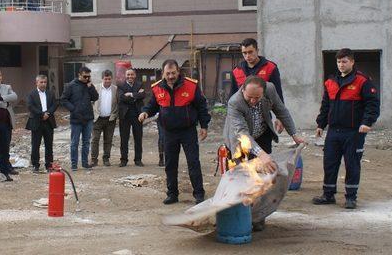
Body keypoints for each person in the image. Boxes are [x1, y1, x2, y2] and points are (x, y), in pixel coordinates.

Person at [223, 75, 304, 231]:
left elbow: (281, 111)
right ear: (242, 90)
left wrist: (294, 134)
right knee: (243, 177)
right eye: (249, 97)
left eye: (257, 98)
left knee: (264, 177)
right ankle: (242, 217)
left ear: (264, 92)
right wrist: (261, 155)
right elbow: (243, 134)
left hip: (262, 134)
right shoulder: (234, 102)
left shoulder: (271, 89)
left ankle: (259, 216)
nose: (253, 101)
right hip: (241, 141)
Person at [313, 48, 380, 210]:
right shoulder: (330, 82)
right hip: (333, 132)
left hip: (354, 132)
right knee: (329, 163)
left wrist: (367, 123)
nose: (341, 65)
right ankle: (328, 194)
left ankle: (351, 197)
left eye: (344, 61)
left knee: (352, 164)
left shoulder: (362, 81)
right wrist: (321, 124)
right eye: (338, 61)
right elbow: (325, 106)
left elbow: (373, 104)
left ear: (352, 62)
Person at [139, 59, 211, 205]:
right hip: (168, 132)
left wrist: (204, 126)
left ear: (178, 72)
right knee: (170, 164)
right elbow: (152, 105)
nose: (171, 76)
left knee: (193, 163)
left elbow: (201, 107)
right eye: (168, 73)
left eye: (173, 73)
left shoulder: (191, 86)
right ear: (163, 73)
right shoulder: (157, 88)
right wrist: (145, 112)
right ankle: (172, 194)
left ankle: (199, 194)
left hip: (188, 131)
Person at [230, 38, 285, 133]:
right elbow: (232, 97)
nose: (247, 56)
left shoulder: (270, 68)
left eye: (250, 52)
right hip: (243, 121)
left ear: (257, 50)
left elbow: (278, 95)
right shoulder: (236, 71)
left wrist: (280, 118)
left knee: (264, 148)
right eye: (244, 53)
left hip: (264, 120)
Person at [61, 66, 99, 171]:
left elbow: (95, 97)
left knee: (86, 142)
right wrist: (73, 109)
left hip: (88, 118)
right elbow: (63, 100)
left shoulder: (89, 85)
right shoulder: (70, 85)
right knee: (75, 142)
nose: (87, 78)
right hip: (76, 119)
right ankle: (74, 164)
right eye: (85, 76)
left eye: (88, 76)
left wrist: (91, 86)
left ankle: (85, 163)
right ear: (79, 74)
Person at [26, 75, 58, 172]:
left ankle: (49, 165)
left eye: (45, 82)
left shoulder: (50, 93)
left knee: (49, 145)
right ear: (36, 83)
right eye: (41, 82)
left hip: (48, 122)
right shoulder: (31, 94)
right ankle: (35, 165)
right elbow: (30, 106)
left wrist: (48, 113)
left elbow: (55, 104)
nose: (43, 84)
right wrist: (41, 114)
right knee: (35, 145)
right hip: (36, 122)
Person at [118, 68, 146, 167]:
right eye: (128, 75)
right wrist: (135, 97)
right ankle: (123, 160)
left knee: (138, 138)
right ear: (125, 76)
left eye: (132, 74)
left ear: (135, 75)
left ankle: (138, 160)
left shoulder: (139, 84)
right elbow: (122, 98)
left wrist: (130, 94)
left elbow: (143, 95)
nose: (130, 76)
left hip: (137, 115)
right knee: (124, 138)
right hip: (125, 116)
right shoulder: (121, 85)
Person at [91, 70, 118, 167]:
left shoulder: (115, 89)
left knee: (108, 140)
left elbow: (118, 103)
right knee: (95, 139)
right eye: (105, 79)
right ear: (102, 78)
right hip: (97, 118)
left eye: (109, 79)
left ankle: (106, 158)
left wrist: (115, 115)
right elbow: (91, 102)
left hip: (110, 119)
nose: (107, 81)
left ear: (112, 79)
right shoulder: (95, 88)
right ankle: (94, 160)